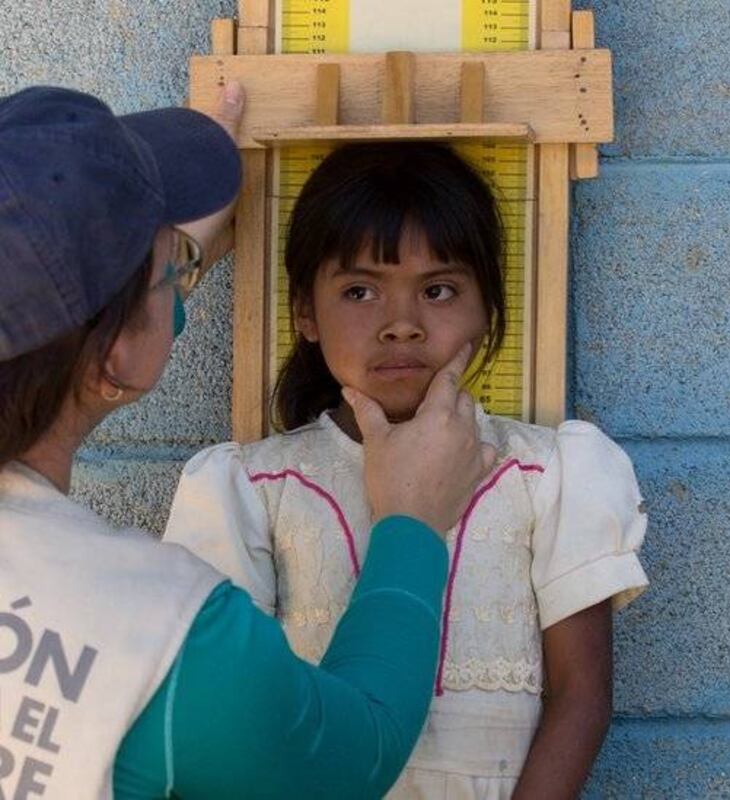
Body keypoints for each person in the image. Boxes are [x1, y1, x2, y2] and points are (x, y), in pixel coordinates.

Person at [0, 87, 497, 799]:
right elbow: (356, 756)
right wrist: (413, 522)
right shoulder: (161, 636)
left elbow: (71, 354)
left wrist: (157, 281)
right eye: (171, 272)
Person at [164, 142, 651, 799]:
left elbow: (581, 696)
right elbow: (232, 715)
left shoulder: (550, 475)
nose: (402, 325)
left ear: (487, 308)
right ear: (305, 311)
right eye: (359, 291)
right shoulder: (251, 488)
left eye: (438, 290)